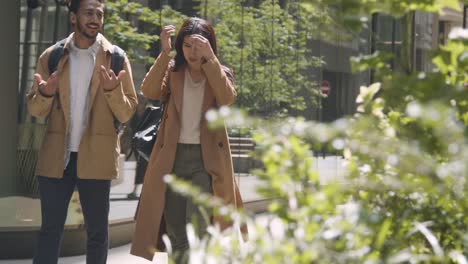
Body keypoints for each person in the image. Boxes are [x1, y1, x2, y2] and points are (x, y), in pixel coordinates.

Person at [26, 0, 137, 263]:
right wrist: (45, 93)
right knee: (49, 231)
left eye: (99, 14)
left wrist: (112, 91)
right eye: (89, 13)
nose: (95, 19)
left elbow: (126, 112)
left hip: (96, 156)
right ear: (73, 17)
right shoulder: (52, 56)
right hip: (57, 157)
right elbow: (35, 109)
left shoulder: (117, 58)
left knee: (97, 233)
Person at [131, 17, 247, 262]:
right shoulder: (173, 72)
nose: (192, 52)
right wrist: (164, 53)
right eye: (187, 45)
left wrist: (210, 59)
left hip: (205, 164)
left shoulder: (220, 73)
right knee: (176, 234)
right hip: (171, 160)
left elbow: (227, 98)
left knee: (198, 229)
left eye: (199, 45)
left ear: (209, 45)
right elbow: (150, 91)